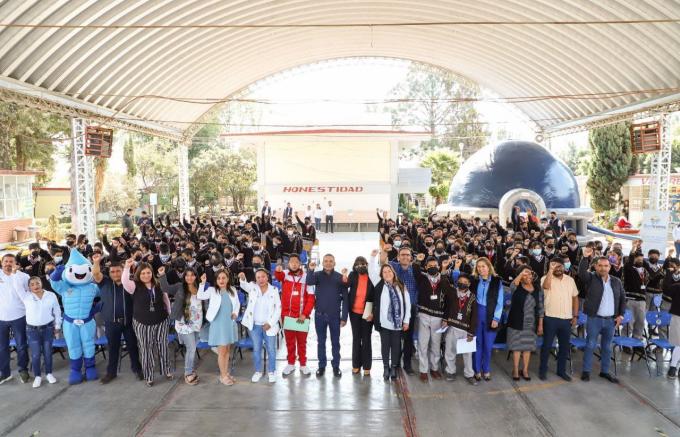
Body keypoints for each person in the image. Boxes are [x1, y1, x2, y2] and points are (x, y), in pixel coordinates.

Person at [92, 255, 143, 384]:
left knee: (133, 347)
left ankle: (137, 369)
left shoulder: (130, 283)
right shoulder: (105, 282)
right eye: (112, 271)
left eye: (118, 271)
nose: (115, 274)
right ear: (109, 273)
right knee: (113, 348)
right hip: (111, 323)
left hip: (129, 322)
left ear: (123, 271)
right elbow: (96, 273)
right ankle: (111, 373)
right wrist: (96, 262)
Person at [122, 259, 173, 387]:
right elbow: (124, 281)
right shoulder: (134, 285)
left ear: (152, 273)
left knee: (163, 346)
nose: (146, 275)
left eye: (148, 272)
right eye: (143, 273)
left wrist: (169, 313)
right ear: (139, 274)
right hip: (142, 323)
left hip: (161, 320)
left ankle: (166, 369)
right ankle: (149, 375)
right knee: (146, 349)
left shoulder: (158, 284)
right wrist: (127, 268)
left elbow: (165, 299)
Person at [579, 247, 626, 383]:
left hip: (611, 321)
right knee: (590, 345)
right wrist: (585, 258)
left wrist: (621, 315)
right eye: (600, 266)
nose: (603, 268)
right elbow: (582, 273)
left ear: (609, 267)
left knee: (607, 347)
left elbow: (623, 299)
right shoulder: (591, 278)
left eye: (606, 266)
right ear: (595, 266)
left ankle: (605, 371)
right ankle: (586, 371)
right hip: (594, 319)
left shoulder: (616, 281)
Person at [159, 266, 204, 385]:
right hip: (183, 323)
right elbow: (165, 288)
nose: (189, 277)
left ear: (195, 276)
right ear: (184, 276)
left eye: (192, 275)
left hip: (197, 323)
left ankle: (191, 370)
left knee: (193, 348)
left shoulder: (200, 288)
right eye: (187, 275)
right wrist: (162, 275)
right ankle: (188, 373)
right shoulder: (180, 287)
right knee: (191, 348)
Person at [307, 254, 349, 377]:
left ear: (334, 263)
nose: (328, 263)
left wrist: (344, 317)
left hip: (335, 316)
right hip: (320, 316)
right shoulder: (317, 275)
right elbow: (309, 281)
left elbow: (345, 299)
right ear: (322, 263)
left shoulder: (340, 278)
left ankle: (336, 366)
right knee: (321, 342)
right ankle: (322, 365)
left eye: (331, 261)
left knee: (335, 342)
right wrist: (310, 269)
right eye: (326, 261)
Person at [274, 254, 315, 376]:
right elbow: (278, 275)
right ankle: (291, 363)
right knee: (290, 342)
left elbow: (311, 298)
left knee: (302, 342)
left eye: (296, 262)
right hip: (288, 316)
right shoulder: (285, 274)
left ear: (300, 263)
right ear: (288, 264)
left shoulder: (307, 277)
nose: (294, 264)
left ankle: (303, 364)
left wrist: (305, 314)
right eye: (291, 262)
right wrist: (277, 269)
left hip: (302, 317)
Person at [197, 269, 240, 385]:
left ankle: (225, 373)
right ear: (216, 280)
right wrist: (202, 283)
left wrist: (235, 313)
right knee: (222, 351)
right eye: (219, 278)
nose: (221, 280)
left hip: (229, 323)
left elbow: (237, 304)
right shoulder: (212, 290)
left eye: (223, 278)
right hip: (218, 323)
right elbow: (200, 296)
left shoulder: (233, 290)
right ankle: (222, 376)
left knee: (227, 350)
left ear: (227, 279)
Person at [369, 264, 411, 380]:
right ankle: (385, 367)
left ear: (393, 273)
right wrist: (372, 257)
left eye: (389, 271)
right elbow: (371, 271)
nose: (387, 274)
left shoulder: (401, 285)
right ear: (381, 275)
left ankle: (393, 367)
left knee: (396, 346)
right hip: (384, 323)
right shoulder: (379, 285)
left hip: (398, 324)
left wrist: (406, 321)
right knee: (385, 346)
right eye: (384, 272)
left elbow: (407, 305)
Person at [539, 258, 579, 381]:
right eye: (554, 266)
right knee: (546, 346)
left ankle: (561, 371)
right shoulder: (545, 278)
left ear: (564, 267)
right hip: (550, 318)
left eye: (560, 266)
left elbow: (575, 298)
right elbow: (545, 286)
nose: (558, 268)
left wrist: (575, 315)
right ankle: (542, 371)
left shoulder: (570, 280)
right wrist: (550, 270)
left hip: (566, 320)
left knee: (564, 347)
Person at [239, 269, 281, 383]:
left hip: (269, 326)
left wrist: (270, 323)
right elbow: (244, 285)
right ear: (255, 279)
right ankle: (258, 371)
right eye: (258, 277)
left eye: (263, 277)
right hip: (255, 326)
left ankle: (271, 371)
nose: (261, 279)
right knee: (256, 349)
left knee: (271, 350)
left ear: (267, 277)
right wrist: (242, 278)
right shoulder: (253, 288)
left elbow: (278, 309)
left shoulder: (274, 290)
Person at [415, 257, 452, 382]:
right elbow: (415, 269)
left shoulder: (444, 279)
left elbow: (449, 299)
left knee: (436, 345)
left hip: (438, 317)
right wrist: (418, 260)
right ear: (426, 267)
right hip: (424, 315)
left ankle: (434, 368)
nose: (432, 267)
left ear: (439, 266)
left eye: (435, 265)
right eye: (429, 265)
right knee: (423, 344)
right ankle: (423, 370)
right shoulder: (422, 278)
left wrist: (446, 318)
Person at [384, 247, 420, 375]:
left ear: (411, 257)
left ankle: (407, 364)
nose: (405, 257)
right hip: (396, 307)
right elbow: (383, 262)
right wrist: (384, 251)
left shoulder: (415, 270)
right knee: (396, 337)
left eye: (408, 255)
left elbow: (418, 288)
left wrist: (414, 303)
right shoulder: (394, 267)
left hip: (411, 308)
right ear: (398, 257)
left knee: (408, 339)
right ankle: (395, 363)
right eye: (402, 255)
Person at [468, 257, 504, 381]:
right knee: (477, 344)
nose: (481, 269)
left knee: (488, 346)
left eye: (483, 266)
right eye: (478, 267)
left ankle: (486, 369)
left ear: (489, 267)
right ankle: (476, 370)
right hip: (477, 315)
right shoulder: (473, 280)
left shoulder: (496, 281)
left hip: (490, 316)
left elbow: (500, 302)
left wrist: (496, 318)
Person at [23, 276, 61, 388]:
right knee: (35, 355)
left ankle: (49, 373)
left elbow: (57, 311)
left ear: (41, 283)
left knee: (48, 353)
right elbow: (15, 284)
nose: (35, 286)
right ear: (29, 287)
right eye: (32, 284)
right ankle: (38, 376)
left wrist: (57, 325)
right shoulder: (26, 296)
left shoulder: (51, 295)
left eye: (37, 283)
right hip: (32, 330)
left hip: (48, 329)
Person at [507, 266, 544, 381]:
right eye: (525, 275)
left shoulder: (538, 289)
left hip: (531, 322)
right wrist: (521, 273)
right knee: (517, 348)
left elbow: (541, 308)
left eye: (530, 274)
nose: (528, 277)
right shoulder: (516, 288)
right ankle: (516, 370)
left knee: (528, 348)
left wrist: (540, 324)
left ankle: (525, 370)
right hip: (516, 321)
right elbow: (512, 285)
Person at [442, 271, 477, 385]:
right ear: (457, 282)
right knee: (450, 351)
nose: (462, 284)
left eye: (465, 282)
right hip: (452, 327)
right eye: (460, 282)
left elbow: (474, 316)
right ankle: (450, 371)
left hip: (465, 330)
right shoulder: (452, 292)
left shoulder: (472, 297)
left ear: (469, 284)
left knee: (467, 354)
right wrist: (445, 319)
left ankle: (469, 374)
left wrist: (471, 332)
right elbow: (444, 286)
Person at [0, 254, 30, 384]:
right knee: (2, 347)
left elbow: (29, 295)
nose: (8, 264)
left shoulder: (24, 277)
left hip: (19, 316)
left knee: (21, 345)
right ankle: (5, 373)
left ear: (16, 263)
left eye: (11, 261)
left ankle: (23, 370)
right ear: (2, 263)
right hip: (1, 318)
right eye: (5, 261)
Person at [346, 255, 376, 376]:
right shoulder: (352, 275)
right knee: (356, 338)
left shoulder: (371, 276)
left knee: (367, 339)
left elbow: (375, 295)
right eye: (358, 264)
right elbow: (345, 286)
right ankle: (356, 365)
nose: (361, 266)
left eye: (363, 264)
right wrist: (343, 277)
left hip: (368, 312)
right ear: (354, 266)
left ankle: (367, 366)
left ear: (367, 265)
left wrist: (373, 312)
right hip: (354, 313)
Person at [662, 265, 680, 378]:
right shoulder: (678, 287)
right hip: (678, 317)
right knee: (679, 343)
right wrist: (669, 274)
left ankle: (674, 367)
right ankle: (673, 367)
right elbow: (666, 288)